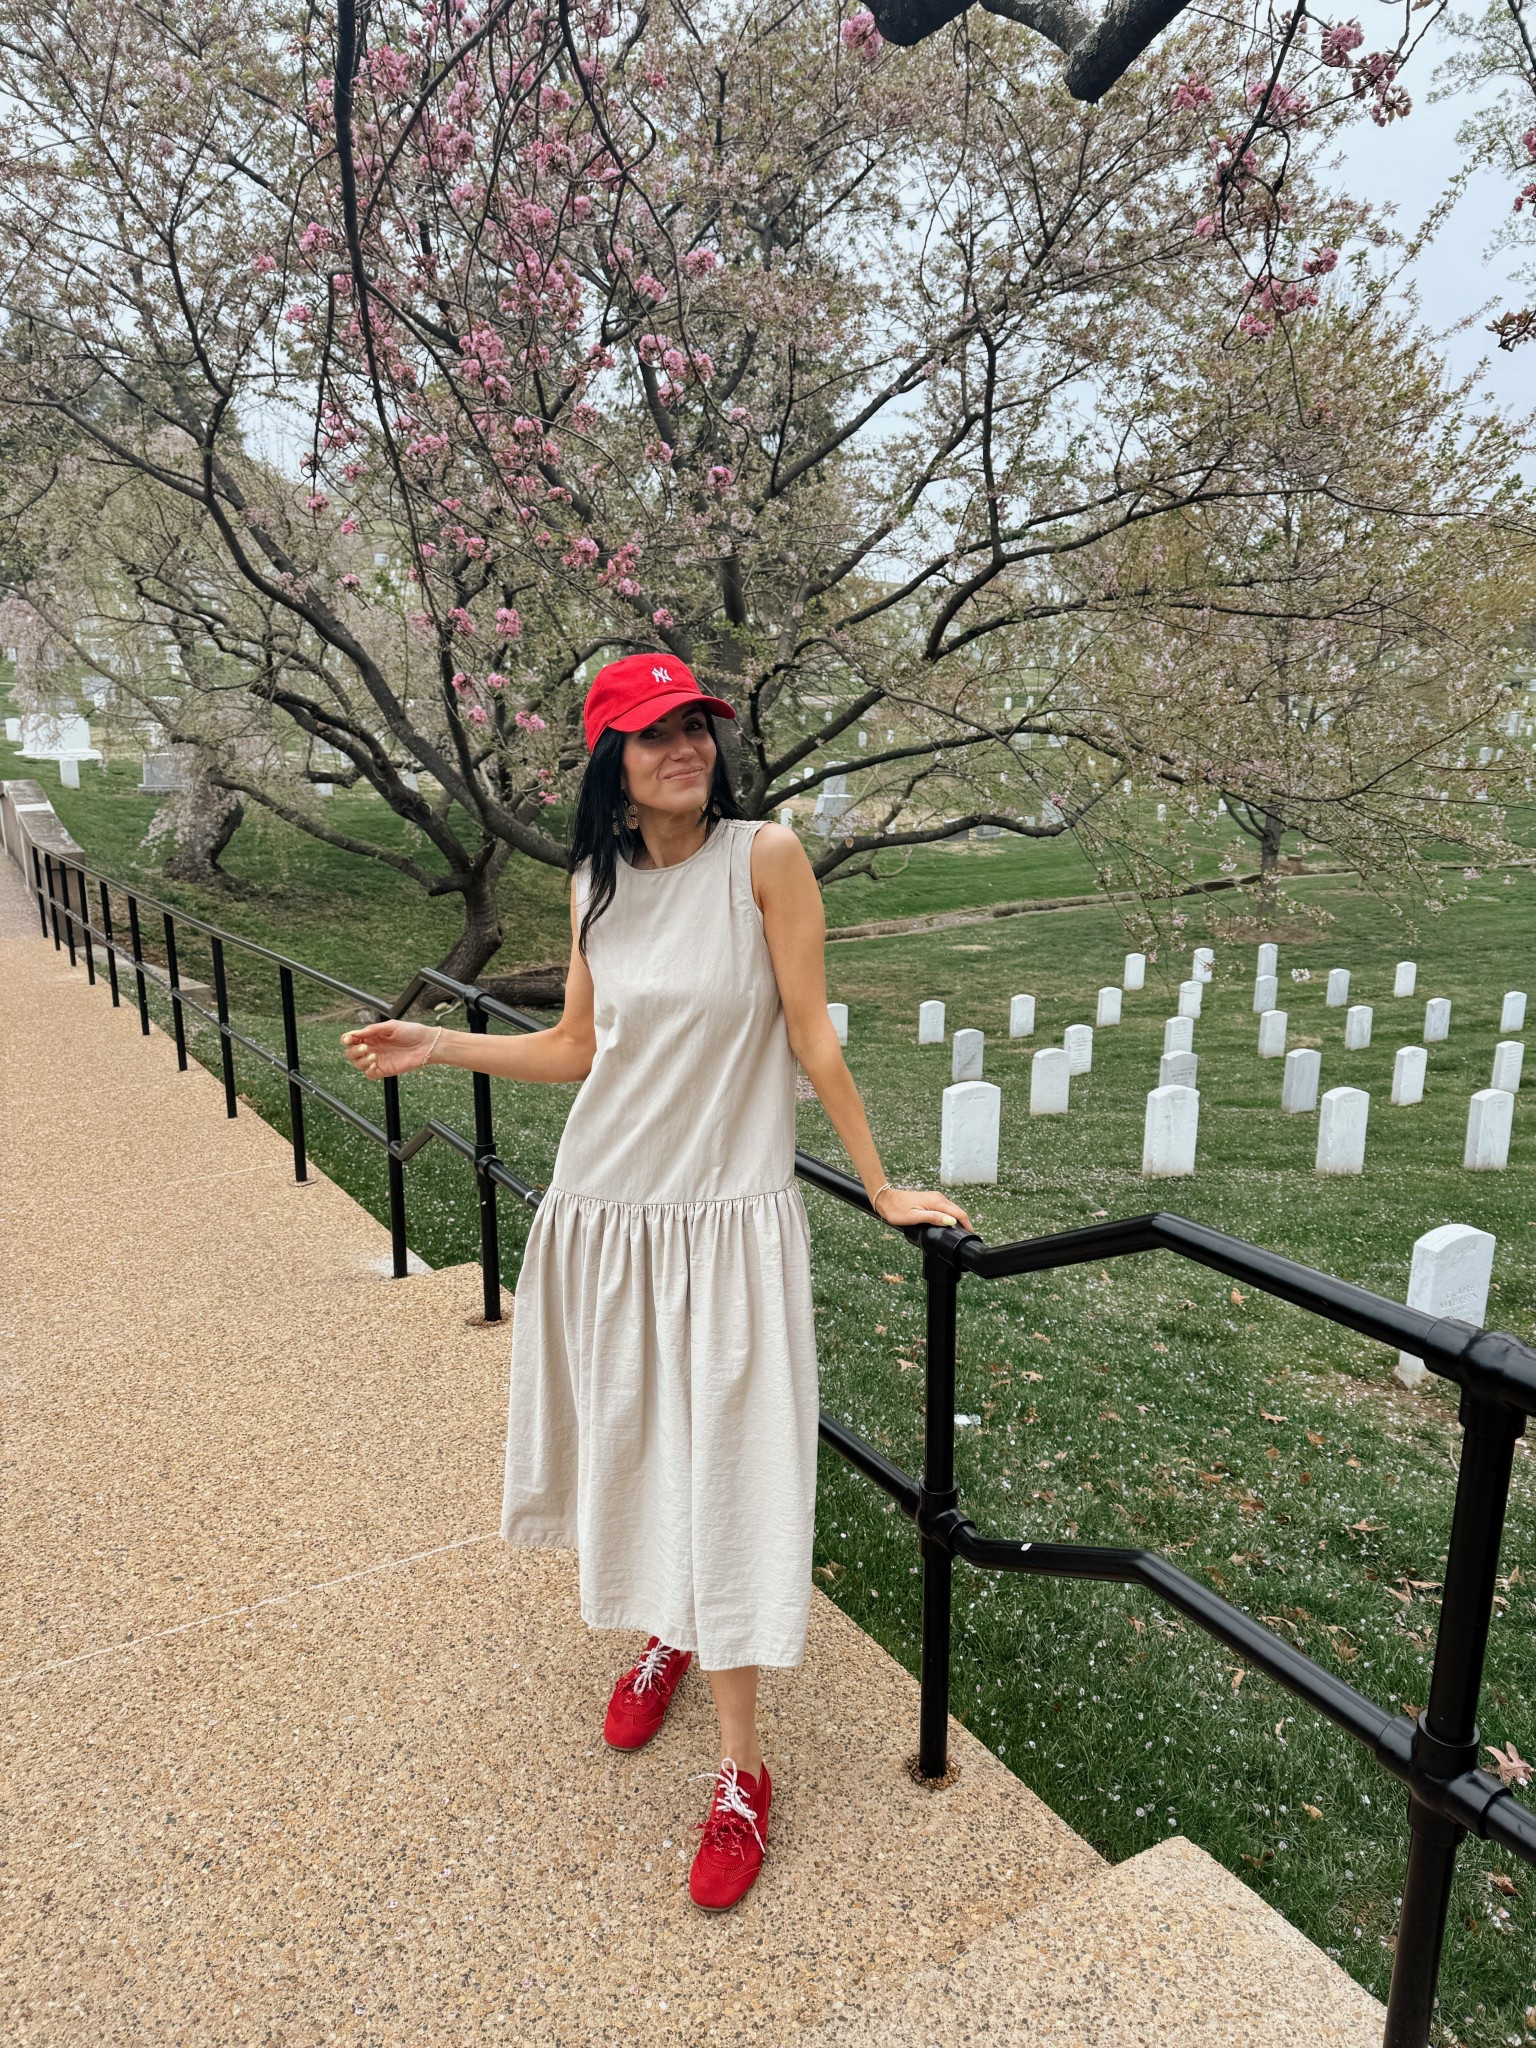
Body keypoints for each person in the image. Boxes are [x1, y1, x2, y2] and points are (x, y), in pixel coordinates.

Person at [342, 652, 973, 1911]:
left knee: (729, 1468)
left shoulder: (767, 858)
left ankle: (745, 1774)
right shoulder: (593, 884)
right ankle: (667, 1628)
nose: (684, 745)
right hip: (607, 1211)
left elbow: (811, 1035)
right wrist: (439, 1039)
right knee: (639, 1447)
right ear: (609, 762)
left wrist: (885, 1180)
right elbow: (581, 1048)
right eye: (652, 732)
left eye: (695, 725)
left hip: (727, 1223)